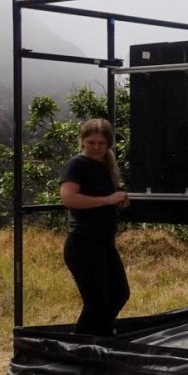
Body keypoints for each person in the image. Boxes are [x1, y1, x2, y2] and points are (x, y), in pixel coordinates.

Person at [59, 118, 130, 336]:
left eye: (101, 143)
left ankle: (102, 338)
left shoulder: (105, 167)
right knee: (96, 303)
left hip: (104, 243)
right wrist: (107, 200)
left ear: (108, 144)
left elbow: (103, 198)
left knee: (119, 294)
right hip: (83, 244)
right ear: (82, 142)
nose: (96, 147)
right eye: (91, 142)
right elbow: (68, 198)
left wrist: (117, 201)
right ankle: (80, 350)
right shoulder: (77, 165)